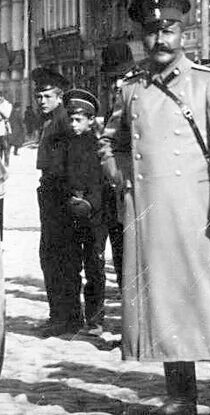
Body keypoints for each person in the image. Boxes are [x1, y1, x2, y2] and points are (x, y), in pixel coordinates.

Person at [100, 0, 210, 415]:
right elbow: (111, 142)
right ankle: (181, 395)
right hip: (149, 213)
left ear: (182, 31)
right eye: (152, 32)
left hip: (195, 212)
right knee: (164, 301)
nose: (160, 39)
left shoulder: (208, 83)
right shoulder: (131, 88)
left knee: (207, 302)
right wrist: (120, 174)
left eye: (168, 30)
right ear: (140, 37)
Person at [31, 67, 78, 337]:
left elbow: (69, 162)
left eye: (47, 96)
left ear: (60, 98)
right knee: (52, 256)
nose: (42, 101)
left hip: (59, 194)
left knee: (60, 257)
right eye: (39, 96)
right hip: (50, 191)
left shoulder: (62, 122)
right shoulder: (50, 121)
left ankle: (65, 317)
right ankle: (60, 315)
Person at [62, 89, 107, 337]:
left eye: (78, 119)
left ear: (91, 120)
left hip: (93, 216)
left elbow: (100, 182)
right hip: (71, 212)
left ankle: (95, 320)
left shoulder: (97, 145)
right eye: (70, 119)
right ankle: (73, 318)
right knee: (71, 266)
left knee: (94, 268)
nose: (73, 123)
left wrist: (90, 204)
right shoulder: (66, 144)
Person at [99, 41, 135, 288]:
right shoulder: (116, 97)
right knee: (120, 245)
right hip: (118, 186)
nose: (116, 83)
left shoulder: (138, 94)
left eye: (121, 77)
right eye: (112, 78)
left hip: (137, 184)